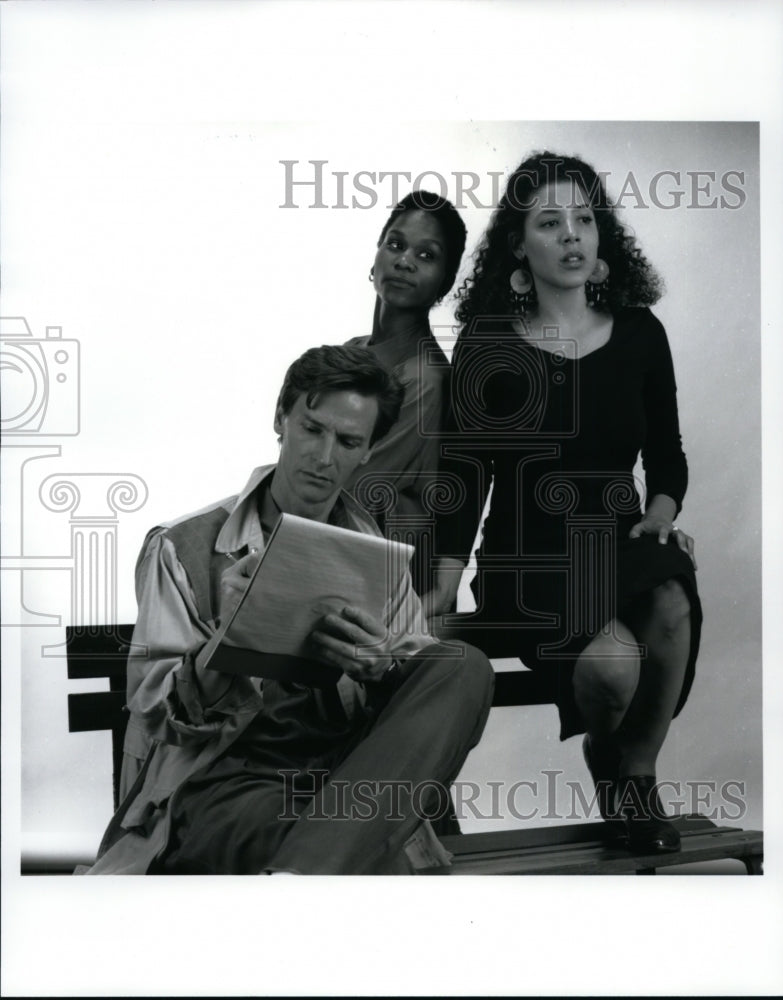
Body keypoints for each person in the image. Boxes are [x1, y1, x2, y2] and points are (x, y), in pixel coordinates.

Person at [86, 344, 493, 875]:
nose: (324, 458)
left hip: (341, 782)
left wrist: (383, 669)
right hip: (223, 783)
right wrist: (224, 647)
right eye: (312, 429)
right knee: (367, 859)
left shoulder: (379, 559)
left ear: (368, 451)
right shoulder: (183, 548)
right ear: (281, 418)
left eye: (348, 441)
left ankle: (300, 878)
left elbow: (414, 715)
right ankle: (315, 871)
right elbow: (155, 713)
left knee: (462, 666)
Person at [425, 152, 702, 854]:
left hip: (620, 541)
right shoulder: (488, 342)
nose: (572, 235)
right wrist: (445, 576)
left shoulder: (641, 333)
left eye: (584, 219)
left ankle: (634, 777)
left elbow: (665, 457)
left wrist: (662, 514)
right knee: (610, 674)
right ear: (518, 245)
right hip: (530, 556)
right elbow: (463, 473)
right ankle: (607, 752)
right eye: (550, 222)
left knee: (669, 591)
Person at [345, 191, 467, 597]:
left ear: (444, 285)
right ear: (374, 258)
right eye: (395, 245)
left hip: (388, 580)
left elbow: (351, 488)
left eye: (426, 255)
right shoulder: (351, 351)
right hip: (338, 542)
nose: (404, 261)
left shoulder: (424, 377)